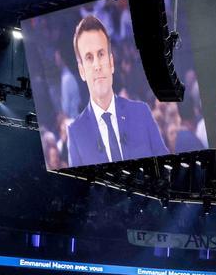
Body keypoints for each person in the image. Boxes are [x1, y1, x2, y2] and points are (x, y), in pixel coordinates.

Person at [65, 15, 168, 166]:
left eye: (101, 54)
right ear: (81, 71)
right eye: (88, 57)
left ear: (111, 62)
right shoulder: (76, 133)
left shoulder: (142, 113)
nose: (97, 65)